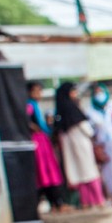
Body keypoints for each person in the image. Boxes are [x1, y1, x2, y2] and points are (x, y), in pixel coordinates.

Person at [54, 82, 105, 209]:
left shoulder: (60, 110)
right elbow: (86, 128)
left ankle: (86, 201)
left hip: (69, 148)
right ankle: (98, 200)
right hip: (82, 144)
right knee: (90, 172)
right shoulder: (73, 108)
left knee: (79, 173)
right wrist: (93, 134)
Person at [26, 81, 68, 213]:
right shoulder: (29, 106)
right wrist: (36, 128)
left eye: (40, 91)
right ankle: (56, 203)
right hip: (38, 142)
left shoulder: (35, 106)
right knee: (45, 171)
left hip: (42, 141)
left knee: (48, 172)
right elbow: (26, 121)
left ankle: (56, 203)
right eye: (36, 91)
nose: (39, 94)